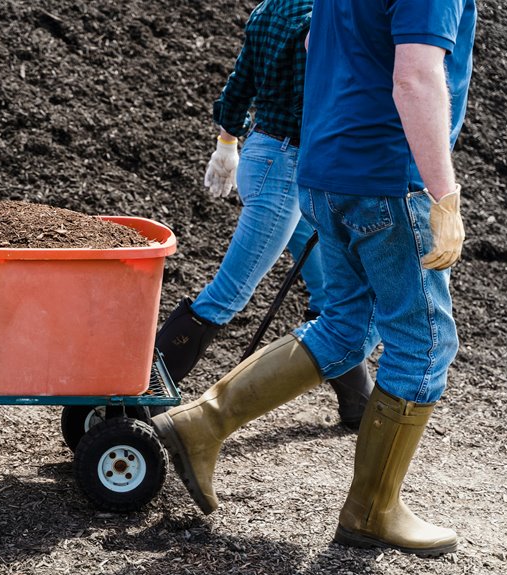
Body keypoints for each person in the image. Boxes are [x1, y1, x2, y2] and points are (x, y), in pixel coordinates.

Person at [152, 0, 476, 557]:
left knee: (346, 324)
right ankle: (372, 512)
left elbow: (313, 49)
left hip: (324, 170)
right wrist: (444, 195)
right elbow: (416, 77)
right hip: (387, 179)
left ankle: (202, 423)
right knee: (424, 344)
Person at [154, 0, 372, 429]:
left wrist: (227, 145)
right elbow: (330, 97)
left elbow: (239, 85)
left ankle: (358, 402)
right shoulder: (326, 18)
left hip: (262, 155)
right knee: (230, 293)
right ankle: (139, 393)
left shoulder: (269, 8)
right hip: (289, 168)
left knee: (328, 289)